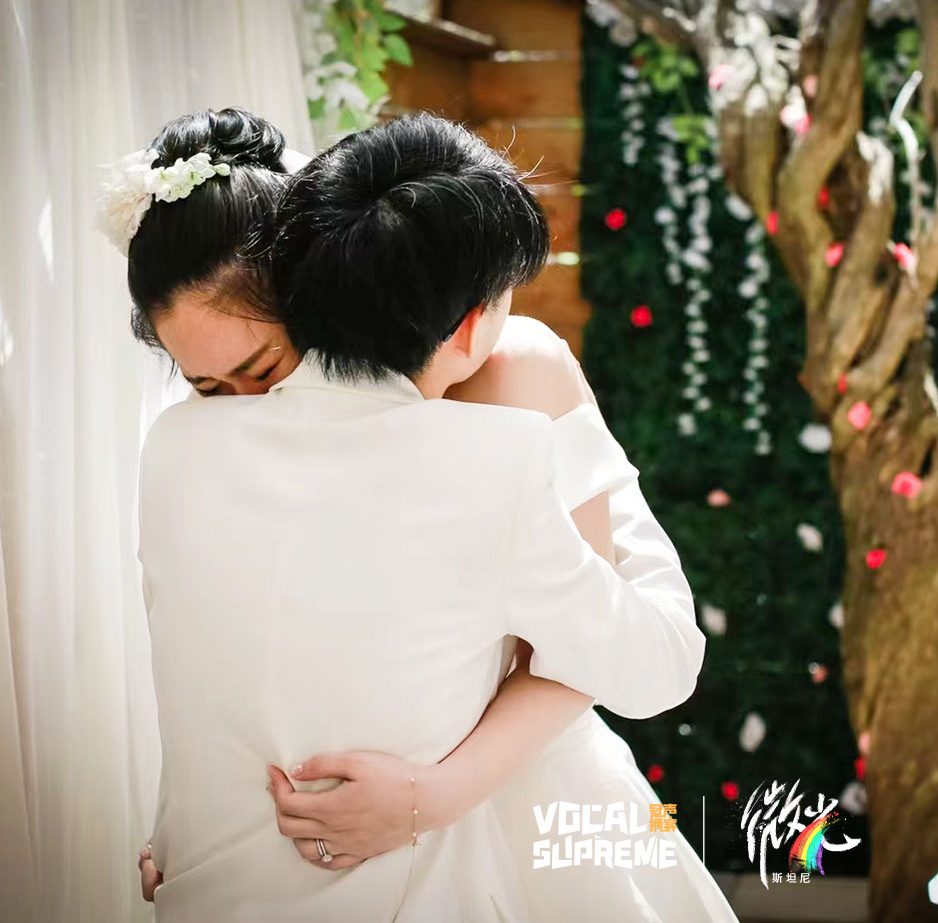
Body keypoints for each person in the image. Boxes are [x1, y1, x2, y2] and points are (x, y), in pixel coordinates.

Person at [103, 109, 727, 921]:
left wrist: (437, 795)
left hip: (506, 793)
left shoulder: (513, 378)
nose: (245, 407)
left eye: (260, 369)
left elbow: (591, 653)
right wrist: (199, 820)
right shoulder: (187, 443)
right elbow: (218, 659)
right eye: (208, 387)